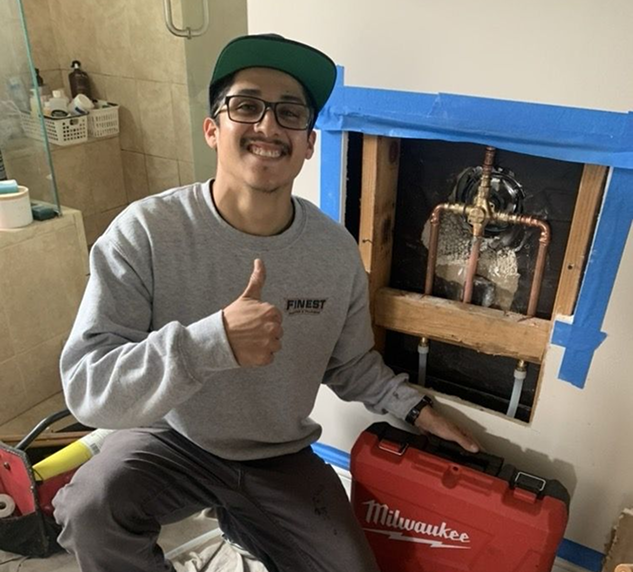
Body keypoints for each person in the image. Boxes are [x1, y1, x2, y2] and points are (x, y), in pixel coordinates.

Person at [53, 33, 479, 572]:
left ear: (309, 144)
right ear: (212, 130)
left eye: (289, 113)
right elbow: (88, 390)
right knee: (91, 508)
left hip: (278, 455)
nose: (269, 126)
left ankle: (249, 520)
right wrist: (211, 343)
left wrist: (415, 409)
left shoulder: (334, 252)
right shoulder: (145, 232)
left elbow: (349, 364)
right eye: (247, 106)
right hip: (172, 440)